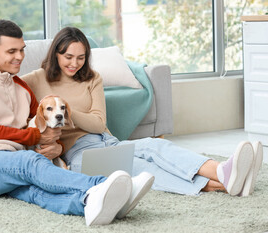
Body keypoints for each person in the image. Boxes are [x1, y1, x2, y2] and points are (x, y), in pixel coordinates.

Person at [0, 20, 155, 226]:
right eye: (11, 52)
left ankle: (90, 204)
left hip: (11, 164)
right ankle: (102, 185)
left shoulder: (21, 87)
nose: (20, 57)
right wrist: (37, 138)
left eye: (22, 50)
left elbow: (42, 126)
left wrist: (57, 147)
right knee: (29, 162)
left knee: (37, 192)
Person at [21, 26, 264, 201]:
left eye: (81, 58)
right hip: (79, 153)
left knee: (154, 147)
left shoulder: (92, 78)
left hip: (106, 140)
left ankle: (223, 171)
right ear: (55, 54)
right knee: (139, 168)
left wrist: (67, 111)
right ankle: (226, 184)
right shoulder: (36, 80)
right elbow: (3, 95)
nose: (74, 64)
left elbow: (98, 123)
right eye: (68, 57)